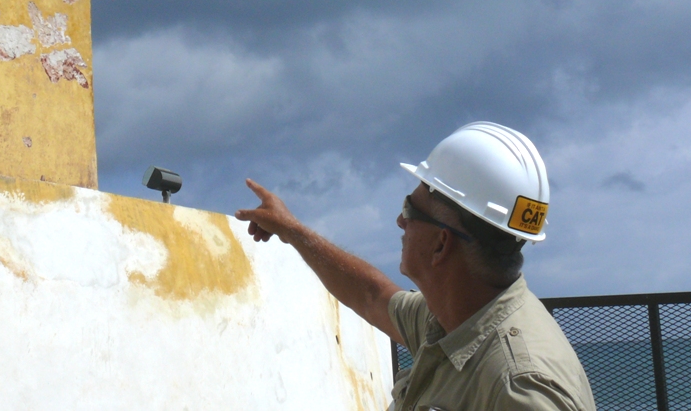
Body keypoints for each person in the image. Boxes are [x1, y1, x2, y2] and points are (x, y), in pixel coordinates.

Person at [235, 121, 596, 411]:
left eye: (410, 209)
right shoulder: (454, 319)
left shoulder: (518, 386)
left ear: (441, 243)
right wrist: (293, 231)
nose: (399, 221)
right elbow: (372, 294)